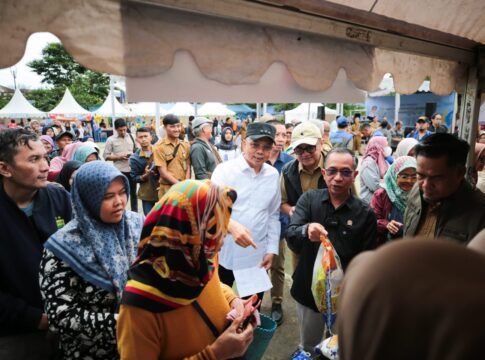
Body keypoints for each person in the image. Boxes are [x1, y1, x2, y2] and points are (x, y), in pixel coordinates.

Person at [118, 180, 255, 359]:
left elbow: (212, 284)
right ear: (186, 233)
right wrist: (214, 354)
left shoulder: (198, 258)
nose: (221, 241)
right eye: (214, 230)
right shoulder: (137, 309)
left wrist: (232, 300)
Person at [40, 161, 144, 359]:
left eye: (122, 192)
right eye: (107, 196)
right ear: (87, 199)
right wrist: (125, 322)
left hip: (140, 346)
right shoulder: (62, 247)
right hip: (91, 351)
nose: (120, 202)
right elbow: (60, 314)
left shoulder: (138, 225)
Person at [286, 148, 377, 356]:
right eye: (332, 171)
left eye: (345, 172)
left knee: (341, 347)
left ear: (354, 175)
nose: (337, 178)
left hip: (345, 298)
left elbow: (367, 261)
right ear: (324, 173)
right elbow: (291, 235)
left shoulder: (365, 213)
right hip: (308, 292)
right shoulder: (309, 200)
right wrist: (305, 230)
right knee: (308, 346)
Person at [0, 129, 72, 358]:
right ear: (4, 168)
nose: (44, 166)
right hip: (16, 334)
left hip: (69, 324)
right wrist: (35, 318)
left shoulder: (59, 198)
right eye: (34, 159)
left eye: (45, 157)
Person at [211, 122, 281, 301]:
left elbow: (273, 215)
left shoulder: (273, 175)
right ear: (243, 143)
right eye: (255, 145)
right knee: (220, 305)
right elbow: (210, 207)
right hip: (225, 251)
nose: (260, 151)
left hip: (256, 256)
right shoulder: (224, 171)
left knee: (251, 308)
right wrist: (231, 225)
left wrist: (272, 249)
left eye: (266, 147)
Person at [404, 133, 485, 242]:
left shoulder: (480, 213)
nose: (425, 185)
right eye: (420, 175)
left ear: (460, 173)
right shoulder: (416, 191)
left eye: (436, 178)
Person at [281, 122, 327, 271]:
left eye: (310, 147)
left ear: (321, 143)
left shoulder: (334, 165)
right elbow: (281, 202)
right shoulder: (288, 171)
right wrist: (291, 210)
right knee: (301, 281)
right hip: (301, 236)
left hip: (330, 235)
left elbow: (352, 199)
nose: (305, 153)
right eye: (299, 149)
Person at [265, 120, 293, 326]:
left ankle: (276, 302)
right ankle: (252, 301)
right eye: (277, 135)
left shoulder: (291, 162)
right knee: (255, 264)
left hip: (281, 223)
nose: (282, 139)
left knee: (278, 265)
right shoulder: (257, 159)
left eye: (285, 135)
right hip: (256, 223)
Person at [370, 156, 417, 245]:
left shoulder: (419, 195)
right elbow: (371, 221)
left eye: (414, 177)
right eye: (404, 176)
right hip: (385, 247)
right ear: (394, 175)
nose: (409, 181)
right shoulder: (382, 194)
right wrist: (386, 224)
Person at [104, 118, 138, 212]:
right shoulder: (110, 140)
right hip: (119, 171)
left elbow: (137, 151)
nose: (123, 132)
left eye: (124, 129)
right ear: (115, 129)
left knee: (133, 194)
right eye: (120, 130)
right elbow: (106, 156)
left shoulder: (132, 137)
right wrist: (118, 157)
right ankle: (122, 212)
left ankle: (134, 212)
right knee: (121, 193)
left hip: (132, 170)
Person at [153, 114, 191, 199]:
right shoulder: (159, 147)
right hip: (167, 189)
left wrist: (186, 183)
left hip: (184, 189)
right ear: (165, 128)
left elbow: (188, 165)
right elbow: (163, 173)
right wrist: (180, 185)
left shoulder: (185, 145)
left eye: (178, 126)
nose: (177, 129)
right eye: (172, 127)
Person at [130, 127, 159, 215]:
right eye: (140, 137)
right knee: (149, 220)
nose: (143, 139)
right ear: (136, 140)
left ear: (151, 137)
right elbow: (134, 177)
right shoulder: (135, 158)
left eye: (146, 136)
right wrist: (144, 176)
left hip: (162, 190)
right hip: (147, 193)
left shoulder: (160, 151)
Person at [359, 136, 390, 204]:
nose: (388, 148)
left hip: (381, 202)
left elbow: (392, 178)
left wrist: (383, 181)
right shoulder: (368, 163)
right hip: (369, 204)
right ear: (378, 147)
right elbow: (375, 186)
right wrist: (387, 182)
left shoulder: (383, 161)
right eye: (386, 146)